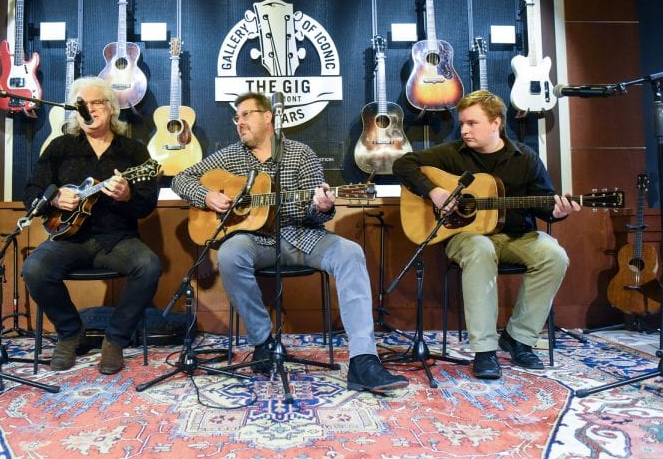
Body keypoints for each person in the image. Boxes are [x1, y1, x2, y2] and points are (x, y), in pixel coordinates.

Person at [171, 91, 409, 393]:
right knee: (230, 254)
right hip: (255, 240)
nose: (239, 123)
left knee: (350, 252)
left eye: (246, 115)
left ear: (268, 116)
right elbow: (182, 179)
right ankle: (263, 343)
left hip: (301, 236)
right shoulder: (229, 156)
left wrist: (321, 206)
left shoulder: (300, 154)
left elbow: (315, 216)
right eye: (236, 117)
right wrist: (207, 195)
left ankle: (364, 361)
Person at [393, 89, 580, 380]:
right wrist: (435, 191)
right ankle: (485, 351)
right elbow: (402, 164)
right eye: (462, 123)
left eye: (472, 123)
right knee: (481, 248)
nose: (464, 130)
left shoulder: (525, 158)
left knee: (555, 255)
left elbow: (545, 205)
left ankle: (518, 338)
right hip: (467, 239)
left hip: (518, 237)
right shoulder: (453, 153)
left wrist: (559, 211)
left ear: (496, 124)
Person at [22, 76, 162, 375]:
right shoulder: (60, 147)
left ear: (111, 108)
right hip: (68, 239)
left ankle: (115, 339)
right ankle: (71, 332)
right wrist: (56, 199)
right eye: (81, 104)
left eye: (95, 102)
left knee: (148, 266)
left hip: (117, 239)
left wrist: (127, 195)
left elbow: (147, 204)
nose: (88, 109)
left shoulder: (134, 152)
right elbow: (32, 191)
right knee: (34, 268)